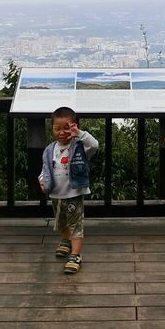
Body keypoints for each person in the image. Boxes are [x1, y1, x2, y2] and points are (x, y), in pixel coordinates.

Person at [37, 106, 99, 274]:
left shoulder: (79, 147)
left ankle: (76, 254)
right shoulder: (50, 150)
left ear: (74, 126)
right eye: (57, 128)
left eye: (67, 128)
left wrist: (79, 133)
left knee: (75, 225)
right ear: (52, 129)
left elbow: (94, 145)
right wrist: (42, 181)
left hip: (74, 193)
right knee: (62, 221)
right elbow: (45, 169)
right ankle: (65, 241)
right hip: (56, 194)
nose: (62, 132)